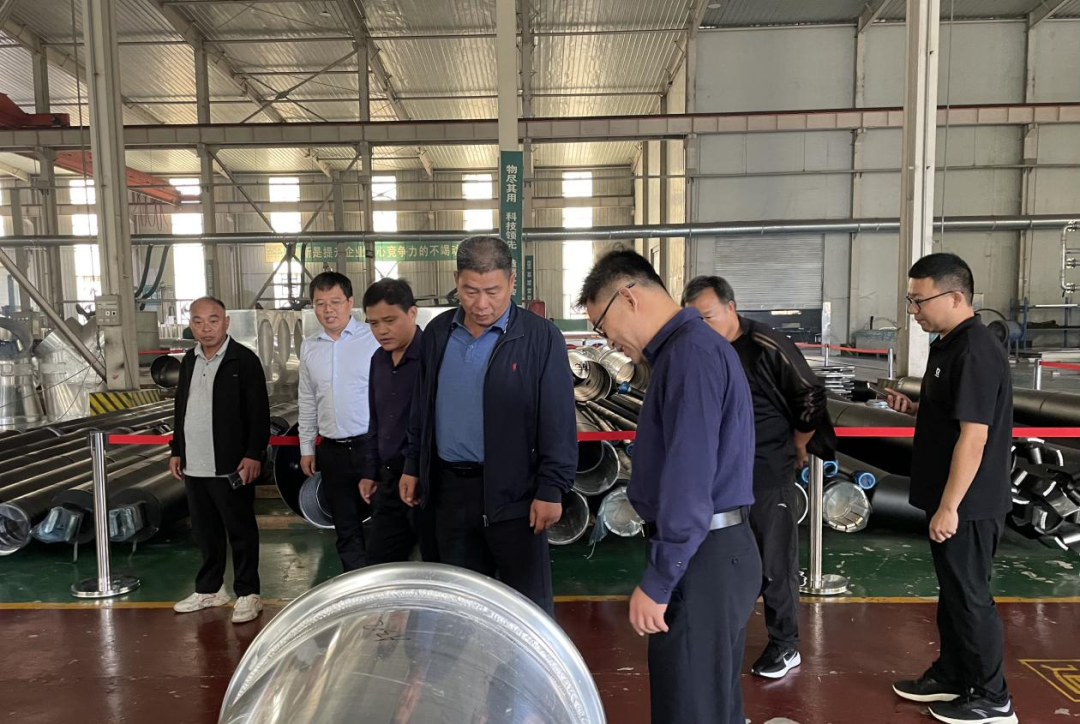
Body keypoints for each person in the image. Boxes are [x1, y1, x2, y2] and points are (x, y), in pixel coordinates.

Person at [577, 251, 760, 724]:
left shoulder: (689, 356)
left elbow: (689, 477)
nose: (609, 342)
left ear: (629, 296)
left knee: (691, 708)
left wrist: (660, 579)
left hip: (703, 555)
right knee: (708, 704)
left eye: (603, 326)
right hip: (710, 550)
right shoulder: (686, 352)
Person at [399, 235, 576, 614]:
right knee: (459, 605)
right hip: (449, 493)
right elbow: (421, 407)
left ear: (512, 282)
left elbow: (558, 419)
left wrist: (552, 488)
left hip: (517, 496)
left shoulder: (539, 337)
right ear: (456, 281)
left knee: (526, 608)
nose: (481, 304)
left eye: (493, 291)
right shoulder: (439, 333)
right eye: (470, 291)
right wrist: (413, 465)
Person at [886, 253, 1018, 724]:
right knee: (953, 593)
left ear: (956, 296)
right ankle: (954, 674)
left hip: (969, 504)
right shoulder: (948, 344)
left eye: (919, 301)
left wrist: (949, 507)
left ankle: (993, 697)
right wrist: (913, 410)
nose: (913, 310)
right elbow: (953, 415)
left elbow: (975, 437)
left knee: (970, 596)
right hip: (951, 498)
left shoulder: (975, 350)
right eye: (910, 300)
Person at [683, 275, 833, 679]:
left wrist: (799, 443)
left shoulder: (765, 343)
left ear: (731, 308)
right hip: (721, 474)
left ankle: (786, 645)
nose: (702, 326)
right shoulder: (701, 350)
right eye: (694, 320)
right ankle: (719, 631)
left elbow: (811, 393)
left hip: (767, 468)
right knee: (726, 554)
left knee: (774, 559)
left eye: (708, 316)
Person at [169, 296, 270, 624]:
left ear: (226, 322)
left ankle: (248, 593)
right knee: (205, 531)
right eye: (198, 321)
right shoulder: (189, 360)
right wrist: (177, 449)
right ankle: (210, 589)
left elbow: (259, 412)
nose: (206, 328)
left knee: (240, 530)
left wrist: (253, 454)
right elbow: (181, 407)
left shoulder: (243, 360)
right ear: (191, 325)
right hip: (195, 463)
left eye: (213, 320)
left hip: (230, 464)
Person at [298, 271, 381, 572]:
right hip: (332, 450)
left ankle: (385, 583)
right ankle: (355, 583)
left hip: (371, 447)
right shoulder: (310, 347)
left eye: (335, 301)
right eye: (320, 303)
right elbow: (307, 399)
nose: (328, 309)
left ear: (349, 302)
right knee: (345, 525)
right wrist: (307, 448)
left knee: (384, 522)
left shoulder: (373, 338)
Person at [359, 278, 438, 564]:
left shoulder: (433, 357)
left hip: (427, 483)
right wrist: (370, 471)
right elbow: (375, 420)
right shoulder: (378, 361)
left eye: (389, 320)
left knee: (435, 564)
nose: (381, 330)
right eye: (373, 323)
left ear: (412, 313)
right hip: (390, 481)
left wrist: (415, 469)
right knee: (379, 565)